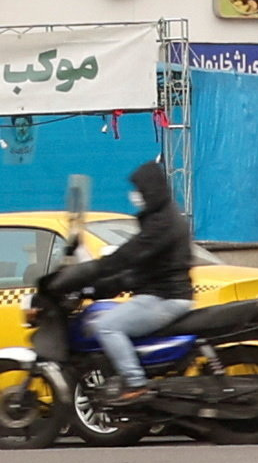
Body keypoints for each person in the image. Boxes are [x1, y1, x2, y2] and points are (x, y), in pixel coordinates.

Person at [54, 158, 195, 390]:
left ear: (151, 190)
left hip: (164, 296)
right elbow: (140, 266)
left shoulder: (162, 223)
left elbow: (129, 254)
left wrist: (93, 270)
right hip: (161, 293)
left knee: (107, 326)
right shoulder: (163, 217)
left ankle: (135, 384)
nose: (136, 196)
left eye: (139, 190)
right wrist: (103, 285)